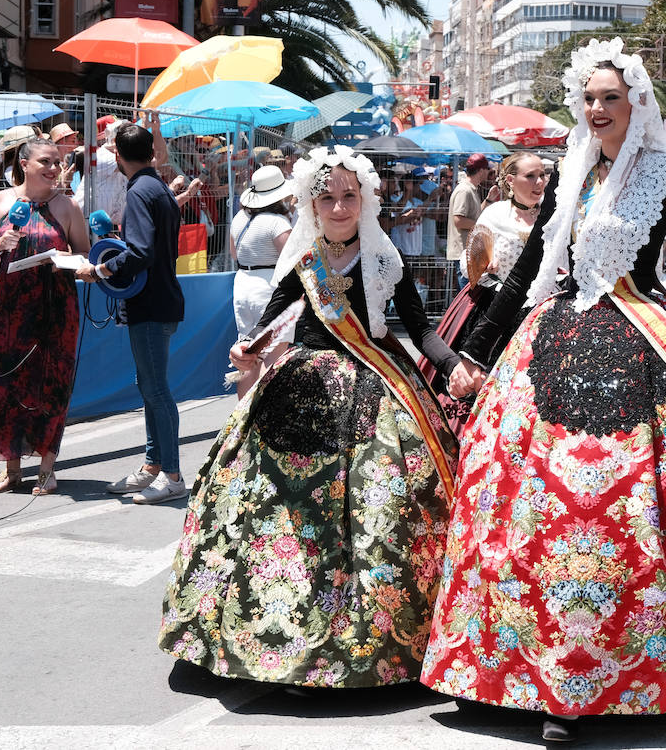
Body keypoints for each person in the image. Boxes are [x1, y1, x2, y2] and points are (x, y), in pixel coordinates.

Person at [426, 38, 666, 740]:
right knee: (529, 503)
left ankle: (660, 668)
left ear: (636, 103)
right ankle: (518, 666)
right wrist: (476, 353)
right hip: (557, 331)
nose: (598, 109)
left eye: (611, 97)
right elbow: (528, 272)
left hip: (645, 331)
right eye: (589, 98)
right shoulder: (567, 174)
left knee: (663, 500)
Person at [157, 146, 461, 687]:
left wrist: (452, 365)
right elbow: (273, 320)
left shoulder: (384, 258)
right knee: (276, 508)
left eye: (349, 196)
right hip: (303, 384)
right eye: (327, 198)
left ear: (365, 199)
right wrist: (248, 348)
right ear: (310, 204)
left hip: (378, 382)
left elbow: (420, 327)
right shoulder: (303, 261)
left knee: (388, 501)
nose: (339, 207)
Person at [0, 137, 89, 495]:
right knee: (8, 384)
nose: (54, 169)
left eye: (57, 162)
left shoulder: (67, 205)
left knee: (53, 384)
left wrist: (65, 260)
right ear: (24, 164)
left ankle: (47, 469)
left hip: (56, 310)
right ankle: (11, 469)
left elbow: (84, 254)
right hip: (10, 310)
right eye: (45, 162)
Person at [76, 123, 186, 504]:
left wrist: (99, 270)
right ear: (152, 153)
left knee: (155, 390)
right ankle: (154, 466)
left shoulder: (140, 191)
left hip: (151, 304)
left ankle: (172, 475)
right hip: (159, 300)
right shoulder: (158, 188)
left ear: (119, 157)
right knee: (149, 386)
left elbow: (140, 252)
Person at [420, 152, 546, 435]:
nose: (539, 182)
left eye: (542, 175)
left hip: (540, 313)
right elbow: (469, 262)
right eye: (530, 176)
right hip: (494, 308)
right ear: (510, 180)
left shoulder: (551, 216)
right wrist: (483, 263)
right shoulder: (494, 214)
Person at [228, 164, 293, 398]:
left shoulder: (239, 218)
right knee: (273, 355)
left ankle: (243, 413)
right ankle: (266, 412)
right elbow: (292, 260)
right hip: (270, 289)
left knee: (247, 355)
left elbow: (234, 255)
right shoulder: (278, 223)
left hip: (243, 285)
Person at [446, 152, 490, 266]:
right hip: (463, 253)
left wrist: (489, 200)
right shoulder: (464, 190)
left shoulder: (471, 189)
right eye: (487, 169)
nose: (489, 172)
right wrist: (484, 227)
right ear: (481, 170)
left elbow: (474, 215)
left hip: (468, 252)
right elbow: (459, 221)